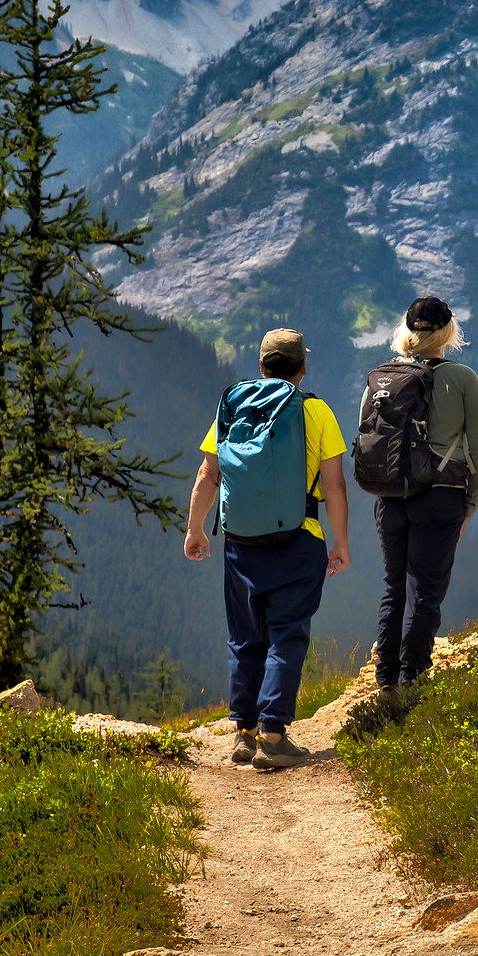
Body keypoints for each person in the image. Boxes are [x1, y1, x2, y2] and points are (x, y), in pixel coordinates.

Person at [184, 328, 351, 770]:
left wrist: (195, 529)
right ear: (302, 369)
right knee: (287, 633)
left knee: (245, 636)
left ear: (261, 366)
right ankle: (274, 735)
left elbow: (208, 474)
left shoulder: (234, 406)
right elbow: (333, 484)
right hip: (300, 541)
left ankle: (244, 732)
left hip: (240, 543)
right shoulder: (315, 411)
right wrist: (341, 542)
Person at [369, 295, 478, 690]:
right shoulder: (462, 378)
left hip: (390, 496)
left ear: (405, 330)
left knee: (394, 587)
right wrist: (469, 504)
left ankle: (385, 681)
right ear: (448, 331)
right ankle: (411, 683)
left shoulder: (382, 377)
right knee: (426, 592)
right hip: (440, 496)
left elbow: (367, 436)